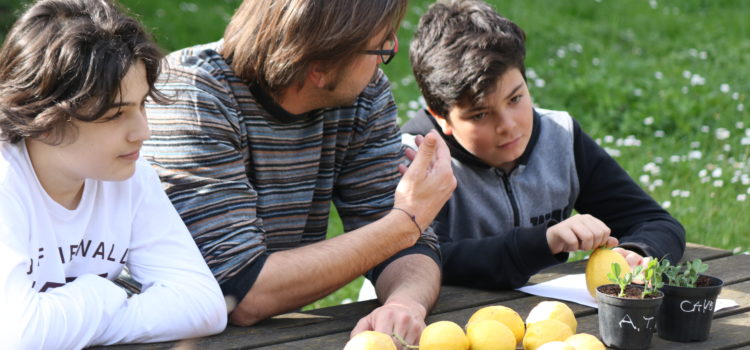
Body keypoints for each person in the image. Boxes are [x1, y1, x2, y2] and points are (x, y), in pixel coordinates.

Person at [141, 0, 455, 346]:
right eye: (380, 46)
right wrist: (405, 222)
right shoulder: (192, 96)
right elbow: (241, 292)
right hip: (150, 335)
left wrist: (405, 301)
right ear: (317, 69)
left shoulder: (363, 93)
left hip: (270, 336)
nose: (388, 52)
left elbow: (401, 240)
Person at [404, 0, 686, 290]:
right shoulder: (413, 157)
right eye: (480, 114)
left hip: (547, 322)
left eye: (515, 99)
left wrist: (636, 254)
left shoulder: (560, 135)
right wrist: (543, 242)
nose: (508, 126)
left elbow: (656, 222)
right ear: (440, 116)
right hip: (422, 323)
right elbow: (421, 259)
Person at [0, 0, 227, 348]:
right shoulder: (7, 181)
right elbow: (19, 337)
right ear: (44, 120)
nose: (143, 132)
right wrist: (102, 294)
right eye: (115, 114)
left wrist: (75, 323)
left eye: (142, 104)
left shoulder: (129, 177)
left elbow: (203, 306)